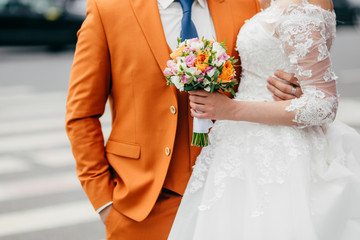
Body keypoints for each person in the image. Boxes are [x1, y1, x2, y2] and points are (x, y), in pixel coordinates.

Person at [65, 0, 302, 239]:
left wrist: (295, 91)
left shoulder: (245, 4)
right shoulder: (108, 9)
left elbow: (269, 73)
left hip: (232, 194)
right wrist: (104, 202)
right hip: (144, 202)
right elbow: (81, 114)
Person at [168, 0, 360, 239]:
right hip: (237, 148)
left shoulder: (302, 6)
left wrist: (230, 110)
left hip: (281, 151)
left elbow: (324, 103)